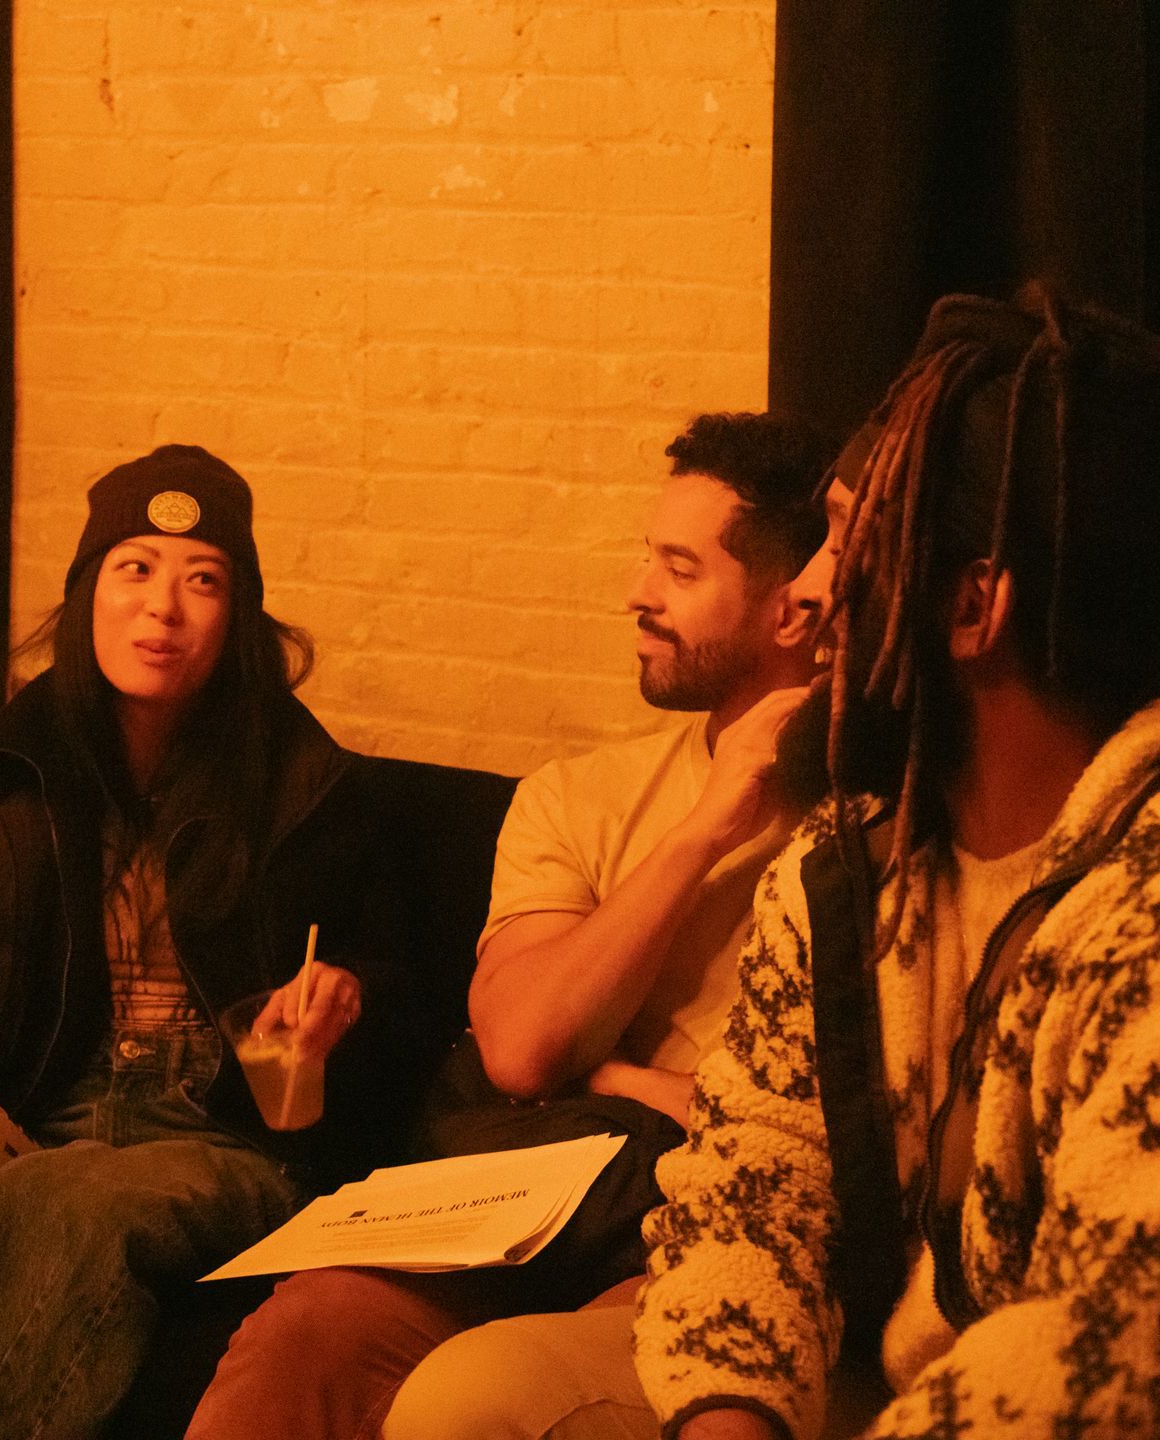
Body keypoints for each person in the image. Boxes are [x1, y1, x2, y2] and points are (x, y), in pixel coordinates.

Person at [396, 286, 1160, 1439]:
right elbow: (757, 1180)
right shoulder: (847, 867)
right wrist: (730, 1417)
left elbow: (1110, 1349)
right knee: (466, 1402)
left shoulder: (1137, 909)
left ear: (973, 605)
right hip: (846, 1359)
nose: (807, 594)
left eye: (850, 542)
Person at [0, 445, 434, 1440]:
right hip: (38, 1126)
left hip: (216, 1140)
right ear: (85, 593)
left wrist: (337, 1016)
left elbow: (388, 1027)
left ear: (238, 617)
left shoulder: (304, 788)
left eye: (203, 582)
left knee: (59, 1203)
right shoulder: (5, 772)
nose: (163, 608)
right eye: (134, 570)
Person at [188, 412, 832, 1440]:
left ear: (790, 613)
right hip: (528, 1201)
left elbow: (829, 1121)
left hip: (705, 1229)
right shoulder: (577, 797)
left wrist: (622, 1076)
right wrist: (706, 829)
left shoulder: (876, 818)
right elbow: (526, 1046)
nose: (637, 593)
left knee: (504, 1389)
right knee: (303, 1330)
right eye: (646, 560)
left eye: (678, 568)